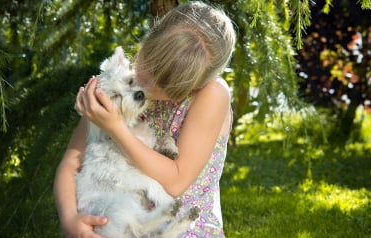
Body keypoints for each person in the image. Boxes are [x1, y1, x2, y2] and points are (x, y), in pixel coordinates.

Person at [54, 1, 236, 237]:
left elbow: (176, 180)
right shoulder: (119, 84)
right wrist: (69, 218)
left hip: (184, 229)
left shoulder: (212, 95)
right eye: (147, 66)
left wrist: (115, 128)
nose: (146, 86)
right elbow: (71, 163)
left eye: (166, 86)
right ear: (149, 39)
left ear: (196, 84)